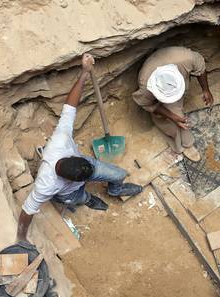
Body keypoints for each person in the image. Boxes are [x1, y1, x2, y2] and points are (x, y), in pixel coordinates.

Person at [16, 54, 142, 242]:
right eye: (86, 178)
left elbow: (69, 107)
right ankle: (89, 200)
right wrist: (21, 237)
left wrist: (84, 73)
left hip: (84, 167)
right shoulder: (46, 184)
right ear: (66, 178)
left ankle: (115, 190)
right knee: (79, 198)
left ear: (71, 157)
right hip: (69, 193)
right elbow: (28, 209)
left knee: (118, 174)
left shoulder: (61, 142)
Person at [132, 46, 214, 162]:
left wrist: (205, 89)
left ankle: (187, 143)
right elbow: (149, 105)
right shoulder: (146, 85)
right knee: (167, 121)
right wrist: (173, 117)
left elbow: (200, 67)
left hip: (172, 66)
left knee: (177, 112)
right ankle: (178, 145)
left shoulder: (186, 59)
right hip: (152, 85)